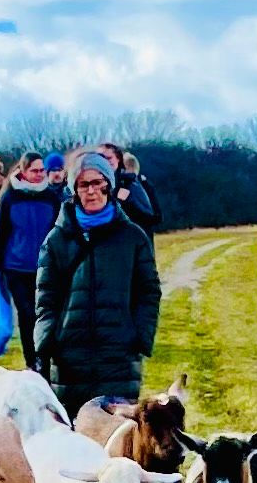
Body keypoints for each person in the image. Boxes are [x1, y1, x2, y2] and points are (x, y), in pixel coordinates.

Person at [34, 152, 162, 419]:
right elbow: (46, 297)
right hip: (70, 358)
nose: (91, 191)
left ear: (108, 185)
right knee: (72, 443)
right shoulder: (56, 240)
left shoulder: (132, 238)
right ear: (74, 190)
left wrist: (139, 336)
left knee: (117, 444)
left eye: (97, 183)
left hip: (118, 356)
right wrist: (48, 341)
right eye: (83, 185)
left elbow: (148, 291)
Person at [0, 152, 64, 375]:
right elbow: (1, 231)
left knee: (45, 314)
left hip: (45, 267)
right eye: (35, 171)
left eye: (42, 171)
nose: (40, 175)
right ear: (24, 171)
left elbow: (59, 232)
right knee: (26, 313)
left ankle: (45, 357)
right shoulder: (11, 197)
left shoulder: (51, 198)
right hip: (16, 267)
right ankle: (32, 360)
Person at [95, 142, 161, 236]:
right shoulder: (91, 186)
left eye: (109, 158)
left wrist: (125, 202)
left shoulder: (130, 183)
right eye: (100, 158)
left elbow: (153, 217)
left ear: (118, 159)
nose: (105, 161)